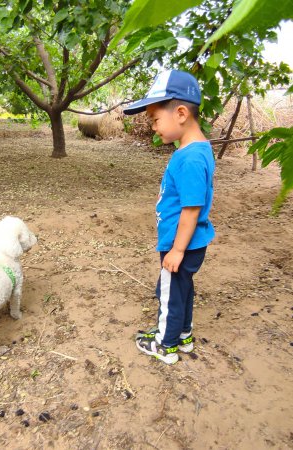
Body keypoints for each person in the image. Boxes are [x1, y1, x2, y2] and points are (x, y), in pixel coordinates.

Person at [123, 69, 215, 365]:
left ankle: (165, 343)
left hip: (181, 242)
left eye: (154, 119)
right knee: (183, 289)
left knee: (170, 293)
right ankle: (183, 334)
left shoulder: (190, 158)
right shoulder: (196, 151)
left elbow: (191, 209)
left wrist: (176, 249)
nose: (153, 127)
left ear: (180, 113)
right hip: (191, 241)